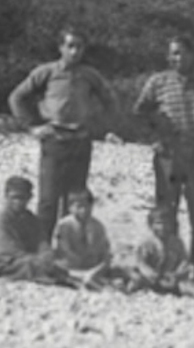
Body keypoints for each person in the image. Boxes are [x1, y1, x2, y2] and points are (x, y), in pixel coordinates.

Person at [132, 34, 194, 282]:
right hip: (167, 157)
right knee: (166, 213)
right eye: (174, 53)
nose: (178, 58)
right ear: (168, 56)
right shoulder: (158, 82)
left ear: (192, 56)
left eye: (183, 53)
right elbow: (140, 113)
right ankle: (167, 265)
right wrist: (153, 138)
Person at [8, 27, 119, 231]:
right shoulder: (47, 72)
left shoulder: (90, 75)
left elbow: (110, 101)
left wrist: (102, 128)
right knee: (48, 201)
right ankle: (43, 252)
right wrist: (32, 127)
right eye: (70, 46)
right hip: (54, 142)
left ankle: (68, 252)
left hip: (80, 142)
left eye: (79, 47)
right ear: (61, 48)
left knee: (75, 201)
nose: (75, 52)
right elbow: (17, 97)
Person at [0, 176, 64, 283]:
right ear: (6, 196)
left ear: (29, 197)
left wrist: (46, 254)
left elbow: (41, 242)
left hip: (29, 258)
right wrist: (35, 259)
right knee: (29, 266)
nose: (18, 202)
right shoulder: (2, 220)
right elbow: (6, 251)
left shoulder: (31, 219)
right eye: (15, 198)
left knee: (54, 263)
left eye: (22, 198)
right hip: (4, 262)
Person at [52, 187, 114, 289]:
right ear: (70, 208)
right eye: (79, 207)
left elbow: (104, 249)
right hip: (70, 265)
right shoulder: (64, 225)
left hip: (92, 266)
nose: (84, 210)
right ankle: (82, 279)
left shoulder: (97, 226)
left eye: (87, 206)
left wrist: (100, 264)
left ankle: (90, 278)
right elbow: (63, 249)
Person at [130, 205, 190, 295]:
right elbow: (141, 263)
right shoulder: (146, 243)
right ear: (150, 225)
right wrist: (152, 275)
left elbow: (184, 262)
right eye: (158, 223)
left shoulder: (177, 243)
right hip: (151, 278)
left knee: (186, 286)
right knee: (136, 278)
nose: (163, 227)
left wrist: (176, 274)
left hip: (170, 278)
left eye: (166, 223)